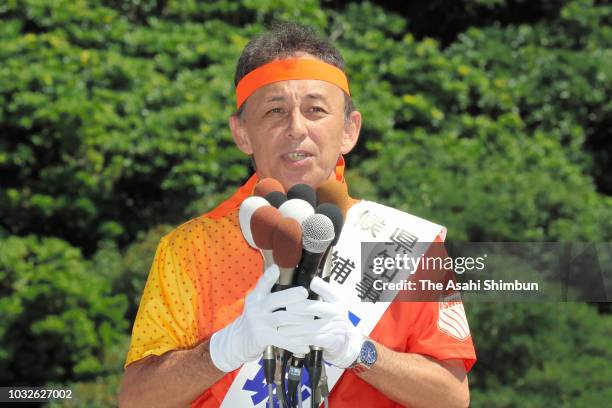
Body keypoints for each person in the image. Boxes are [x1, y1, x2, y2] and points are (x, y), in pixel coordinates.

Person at [118, 22, 475, 408]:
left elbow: (451, 397)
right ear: (241, 134)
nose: (296, 128)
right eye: (275, 110)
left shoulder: (404, 243)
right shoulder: (189, 250)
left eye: (315, 110)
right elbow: (137, 399)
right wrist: (224, 348)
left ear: (349, 130)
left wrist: (358, 351)